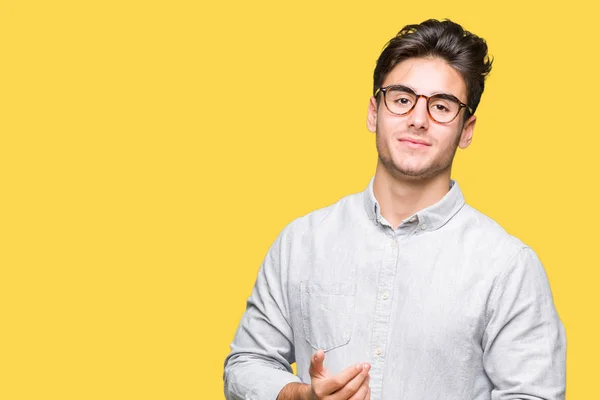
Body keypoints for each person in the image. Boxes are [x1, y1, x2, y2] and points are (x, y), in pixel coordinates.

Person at [223, 19, 566, 400]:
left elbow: (534, 395)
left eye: (441, 106)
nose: (418, 119)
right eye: (402, 99)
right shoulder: (301, 241)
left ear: (466, 129)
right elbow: (246, 364)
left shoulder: (508, 267)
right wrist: (298, 395)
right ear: (374, 112)